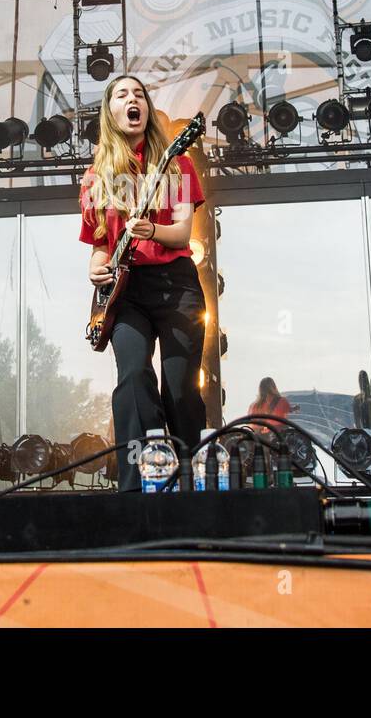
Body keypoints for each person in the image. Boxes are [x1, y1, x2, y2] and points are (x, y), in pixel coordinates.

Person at [81, 74, 207, 491]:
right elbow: (101, 243)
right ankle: (136, 487)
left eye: (139, 95)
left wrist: (152, 231)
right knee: (133, 376)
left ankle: (188, 482)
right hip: (127, 291)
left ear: (147, 110)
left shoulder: (178, 163)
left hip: (176, 286)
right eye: (122, 94)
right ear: (110, 111)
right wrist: (95, 268)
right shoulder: (96, 177)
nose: (132, 100)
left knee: (180, 389)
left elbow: (183, 232)